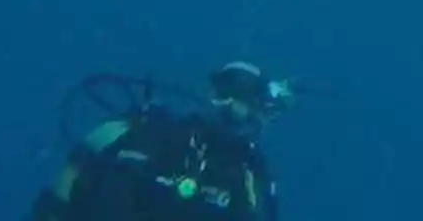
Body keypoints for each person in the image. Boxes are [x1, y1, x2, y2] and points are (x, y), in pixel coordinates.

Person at [31, 63, 291, 219]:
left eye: (248, 102)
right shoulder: (141, 134)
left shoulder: (244, 178)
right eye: (231, 94)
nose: (236, 110)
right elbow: (67, 184)